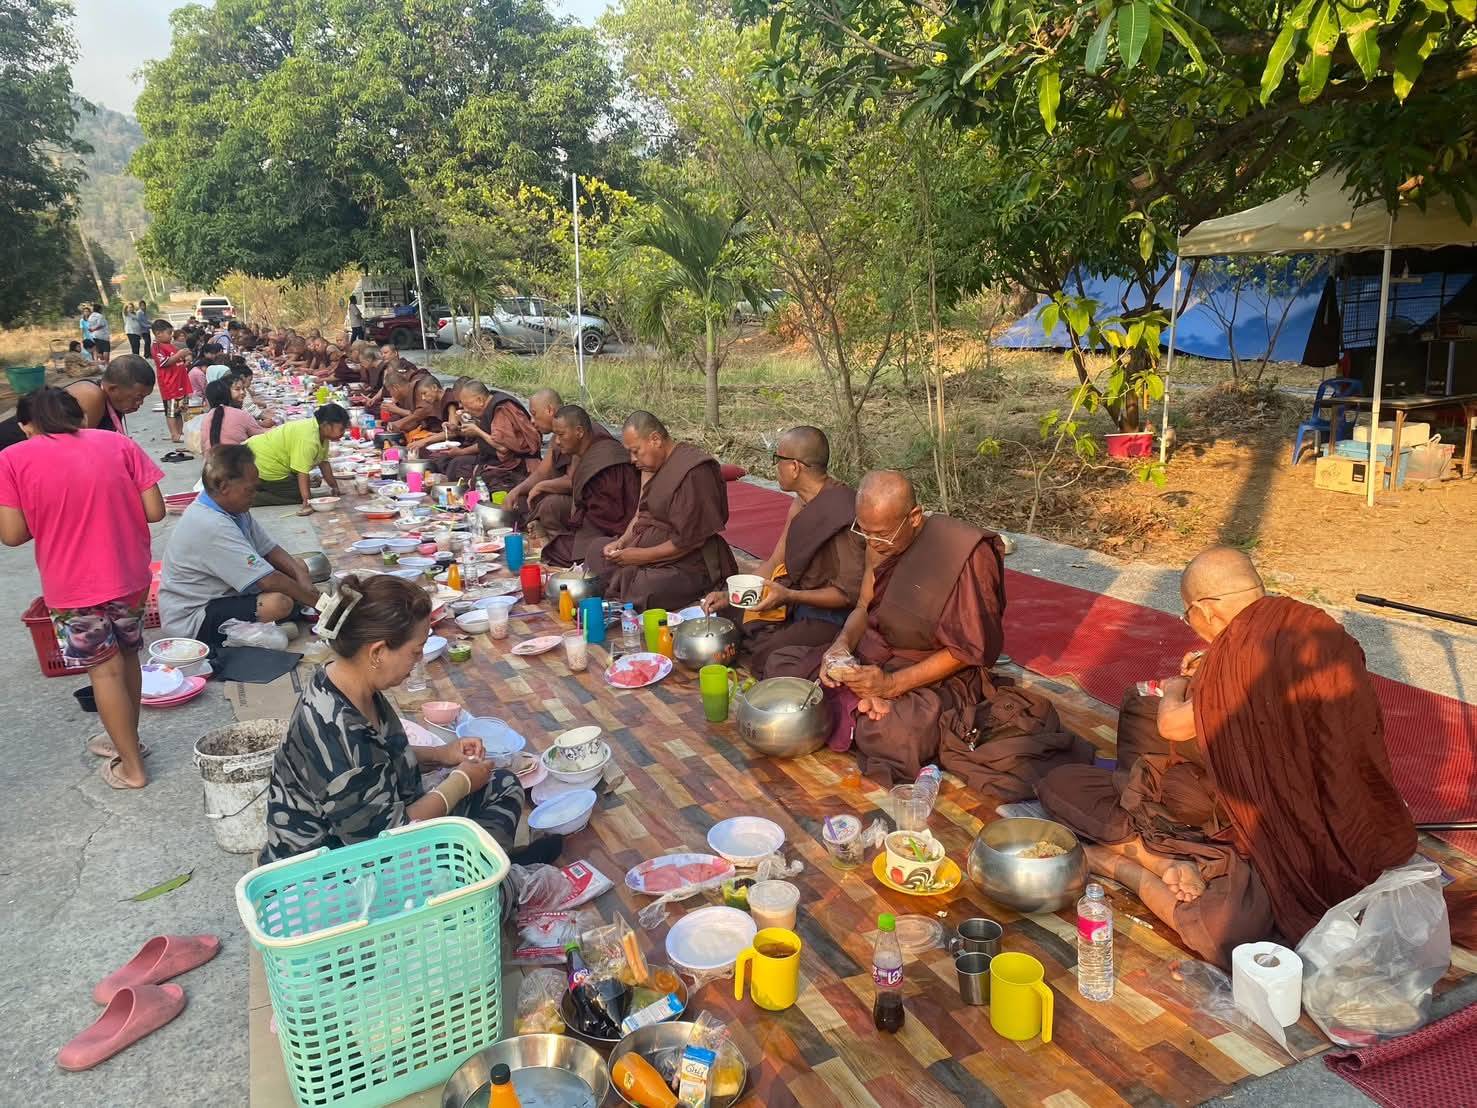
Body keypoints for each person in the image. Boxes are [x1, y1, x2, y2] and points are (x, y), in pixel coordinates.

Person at [1038, 546, 1476, 964]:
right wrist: (1212, 673)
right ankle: (1157, 859)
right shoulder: (1317, 626)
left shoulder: (1244, 651)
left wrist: (1177, 688)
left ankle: (1125, 863)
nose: (1195, 627)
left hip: (1267, 830)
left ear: (1206, 609)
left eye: (1189, 617)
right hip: (1351, 823)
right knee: (1074, 784)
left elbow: (1173, 725)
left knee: (1227, 930)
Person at [258, 574, 556, 864]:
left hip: (375, 831)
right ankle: (487, 879)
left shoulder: (344, 681)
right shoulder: (336, 730)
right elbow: (387, 840)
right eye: (415, 652)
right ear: (378, 652)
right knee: (497, 898)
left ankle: (491, 864)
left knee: (499, 784)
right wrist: (460, 782)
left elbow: (375, 761)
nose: (419, 661)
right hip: (339, 874)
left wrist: (442, 755)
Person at [0, 387, 165, 789]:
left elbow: (12, 533)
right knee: (126, 657)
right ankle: (130, 742)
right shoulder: (118, 443)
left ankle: (131, 767)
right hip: (130, 577)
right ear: (79, 417)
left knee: (103, 672)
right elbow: (155, 511)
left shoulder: (12, 459)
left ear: (26, 425)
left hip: (73, 585)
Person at [819, 470, 1007, 782]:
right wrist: (840, 647)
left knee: (894, 735)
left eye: (881, 534)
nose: (874, 544)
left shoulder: (964, 553)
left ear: (915, 516)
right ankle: (861, 707)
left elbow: (966, 650)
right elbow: (865, 606)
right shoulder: (877, 541)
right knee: (790, 670)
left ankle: (860, 711)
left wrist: (892, 686)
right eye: (865, 532)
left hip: (934, 672)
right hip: (875, 655)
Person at [701, 427, 864, 679]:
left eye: (778, 460)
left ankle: (784, 639)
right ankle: (779, 632)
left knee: (768, 655)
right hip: (793, 595)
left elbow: (846, 596)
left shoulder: (843, 511)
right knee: (731, 609)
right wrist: (732, 594)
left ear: (795, 467)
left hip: (832, 615)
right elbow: (778, 559)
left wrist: (790, 596)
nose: (775, 466)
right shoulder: (801, 502)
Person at [159, 446, 320, 648]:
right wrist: (316, 601)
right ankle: (264, 628)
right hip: (194, 616)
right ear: (225, 486)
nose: (254, 495)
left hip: (226, 593)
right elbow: (268, 581)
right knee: (279, 603)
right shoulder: (210, 524)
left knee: (298, 566)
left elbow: (269, 549)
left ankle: (275, 621)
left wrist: (303, 579)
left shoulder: (233, 509)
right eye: (250, 489)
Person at [585, 411, 738, 610]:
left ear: (655, 439)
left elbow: (691, 541)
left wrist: (640, 556)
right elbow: (641, 514)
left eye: (635, 451)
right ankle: (626, 578)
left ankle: (632, 580)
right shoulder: (650, 466)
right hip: (646, 550)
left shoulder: (695, 471)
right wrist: (621, 542)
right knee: (596, 549)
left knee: (645, 588)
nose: (632, 459)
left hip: (688, 560)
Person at [540, 405, 639, 568]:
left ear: (579, 432)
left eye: (561, 435)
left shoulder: (604, 462)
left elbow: (611, 516)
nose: (557, 442)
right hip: (597, 523)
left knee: (556, 551)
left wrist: (580, 520)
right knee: (550, 509)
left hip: (616, 532)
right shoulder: (586, 452)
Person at [0, 355, 156, 452]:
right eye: (137, 397)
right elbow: (75, 454)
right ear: (113, 389)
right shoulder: (91, 396)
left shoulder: (113, 402)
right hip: (8, 447)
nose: (139, 403)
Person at [426, 382, 541, 488]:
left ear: (480, 400)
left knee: (460, 467)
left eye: (466, 405)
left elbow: (503, 447)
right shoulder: (491, 404)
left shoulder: (501, 408)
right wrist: (458, 430)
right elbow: (489, 432)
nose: (464, 409)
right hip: (494, 457)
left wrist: (477, 431)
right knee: (449, 461)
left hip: (517, 463)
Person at [245, 403, 348, 511]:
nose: (343, 433)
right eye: (341, 429)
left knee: (303, 485)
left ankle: (260, 486)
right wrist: (307, 502)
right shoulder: (309, 439)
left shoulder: (320, 433)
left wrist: (335, 487)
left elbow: (324, 463)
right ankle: (252, 498)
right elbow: (302, 472)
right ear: (326, 425)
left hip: (258, 455)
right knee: (297, 494)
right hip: (265, 463)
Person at [505, 388, 567, 525]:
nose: (532, 421)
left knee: (548, 505)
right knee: (521, 499)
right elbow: (542, 472)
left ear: (550, 410)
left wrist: (541, 486)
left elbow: (574, 481)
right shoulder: (557, 438)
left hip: (587, 500)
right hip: (565, 492)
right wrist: (517, 491)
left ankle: (550, 541)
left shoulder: (573, 433)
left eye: (534, 414)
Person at [150, 319, 191, 445]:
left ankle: (180, 432)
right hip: (170, 384)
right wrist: (179, 355)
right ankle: (174, 433)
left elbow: (178, 359)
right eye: (169, 333)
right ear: (158, 334)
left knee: (180, 409)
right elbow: (164, 362)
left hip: (180, 382)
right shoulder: (157, 347)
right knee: (171, 411)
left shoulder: (171, 345)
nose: (171, 336)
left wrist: (186, 359)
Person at [198, 377, 268, 449]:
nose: (242, 392)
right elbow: (263, 436)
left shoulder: (206, 418)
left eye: (243, 389)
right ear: (228, 393)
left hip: (211, 459)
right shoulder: (240, 414)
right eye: (237, 389)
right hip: (236, 458)